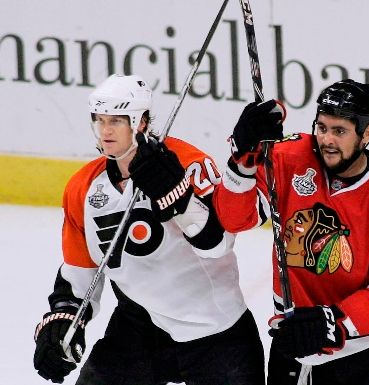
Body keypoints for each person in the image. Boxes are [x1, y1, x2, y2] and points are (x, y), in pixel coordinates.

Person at [33, 74, 265, 385]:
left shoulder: (189, 164)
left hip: (214, 328)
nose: (105, 130)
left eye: (116, 120)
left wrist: (178, 196)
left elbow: (218, 244)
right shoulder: (83, 188)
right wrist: (62, 318)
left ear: (141, 122)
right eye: (99, 120)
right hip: (139, 326)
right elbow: (79, 272)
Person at [213, 79, 369, 385]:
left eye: (339, 131)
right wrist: (242, 164)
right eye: (322, 127)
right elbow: (234, 219)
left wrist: (332, 322)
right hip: (295, 344)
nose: (327, 139)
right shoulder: (289, 158)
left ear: (367, 134)